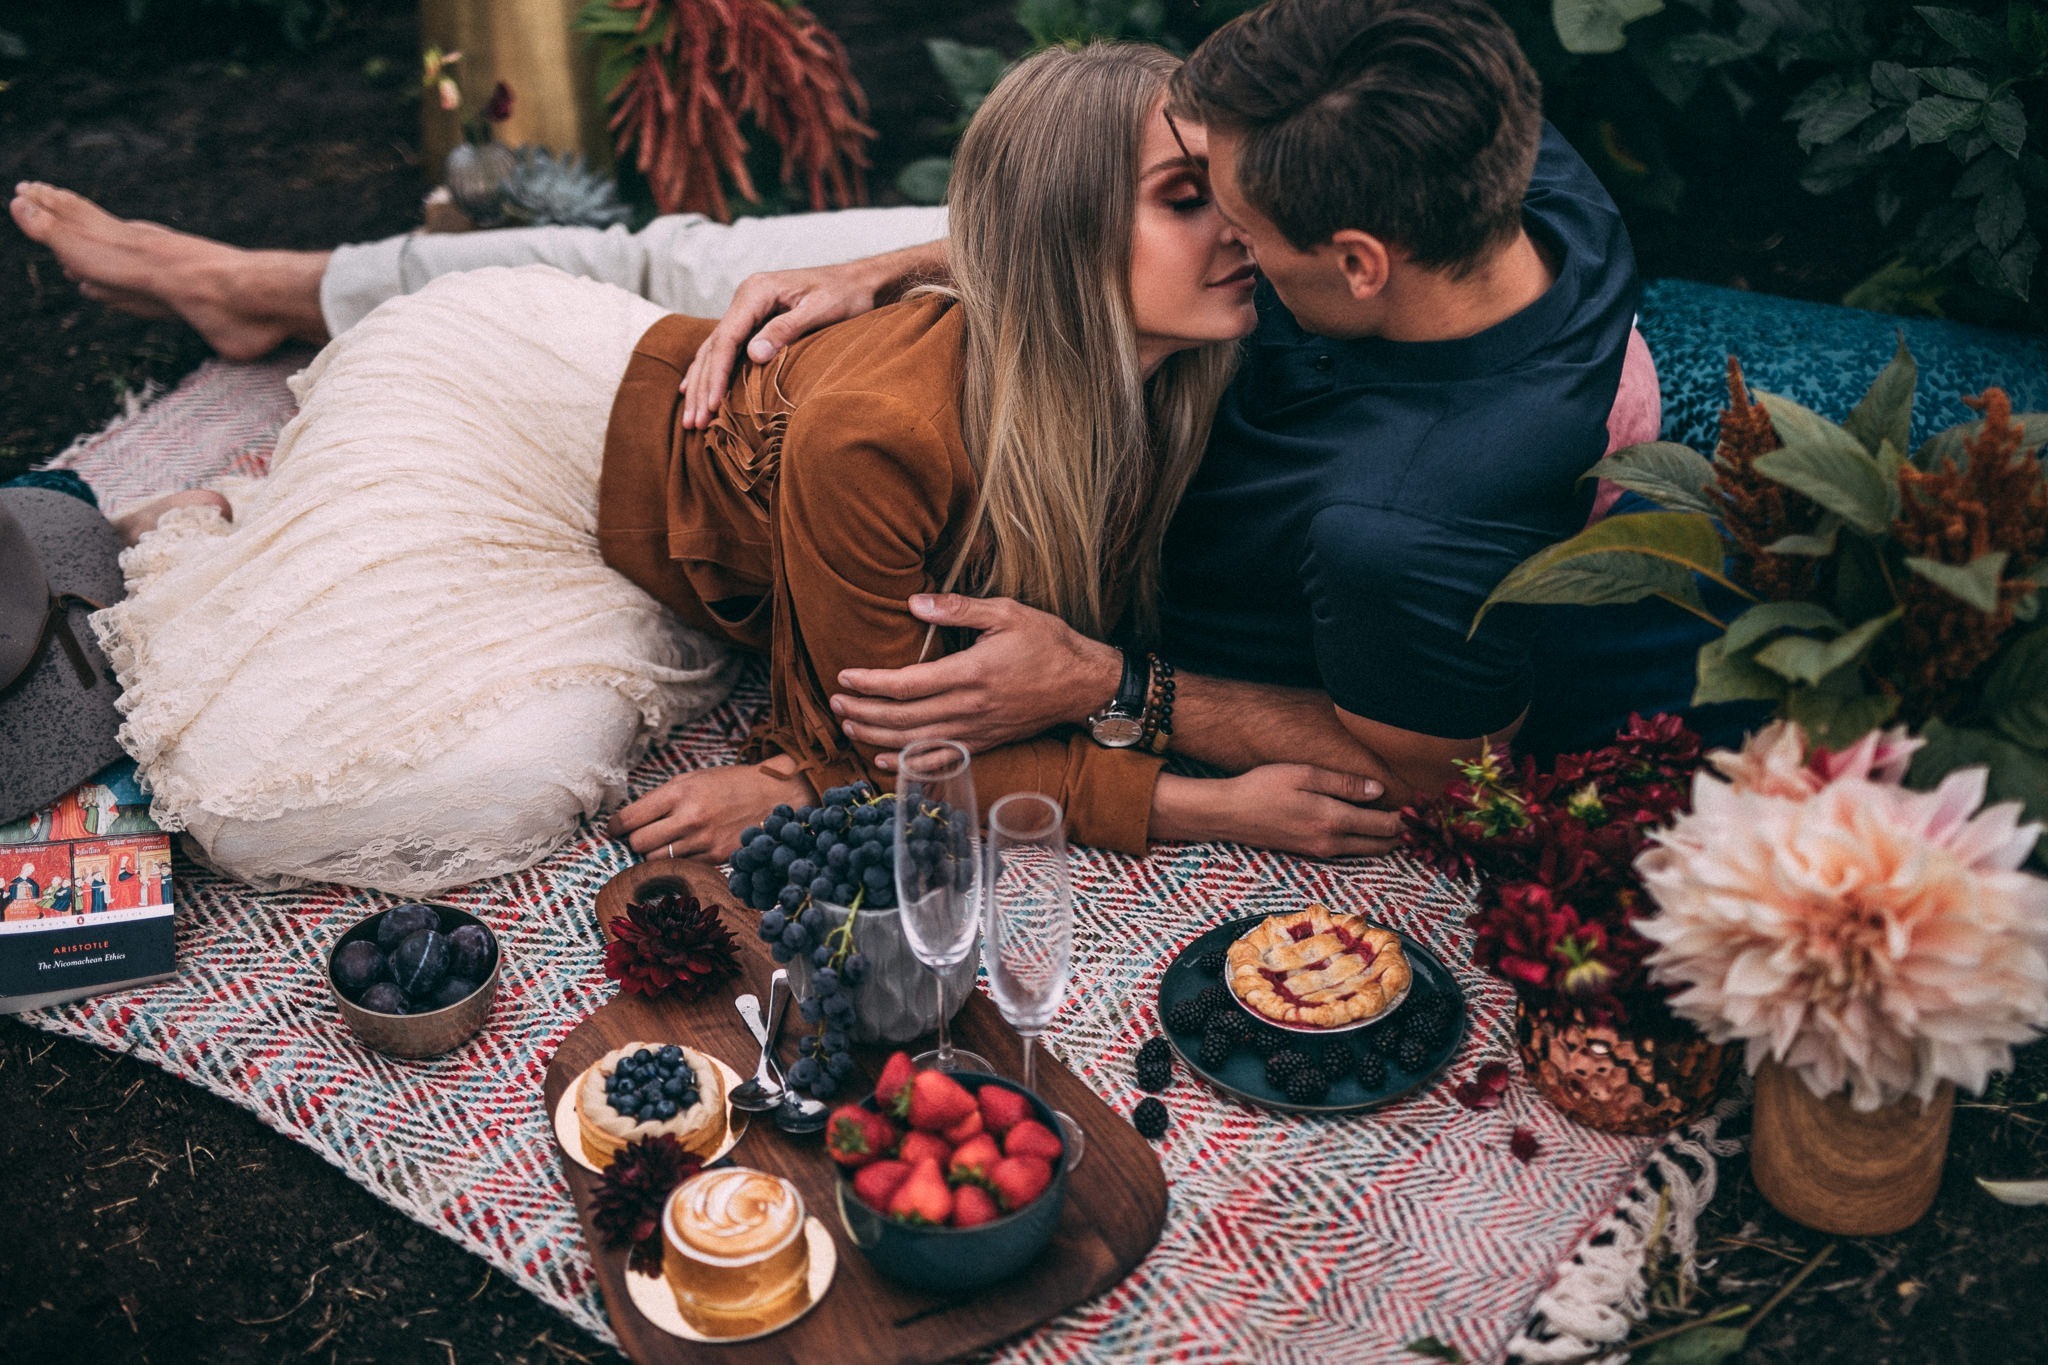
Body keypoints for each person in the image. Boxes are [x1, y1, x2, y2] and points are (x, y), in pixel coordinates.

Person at [15, 0, 1660, 859]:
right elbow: (871, 740)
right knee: (439, 771)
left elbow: (1445, 770)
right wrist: (1182, 795)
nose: (1234, 228)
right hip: (516, 402)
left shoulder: (1332, 436)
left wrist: (1109, 690)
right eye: (1192, 190)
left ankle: (282, 387)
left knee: (696, 273)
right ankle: (257, 319)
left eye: (1234, 207)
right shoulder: (1502, 173)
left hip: (762, 385)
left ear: (1359, 261)